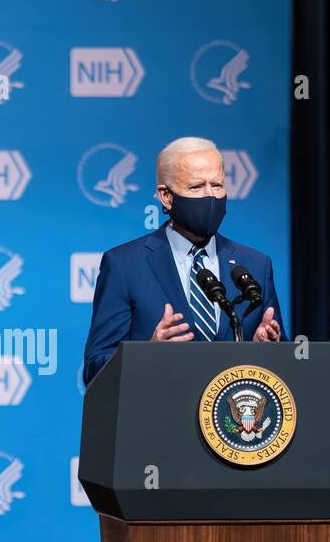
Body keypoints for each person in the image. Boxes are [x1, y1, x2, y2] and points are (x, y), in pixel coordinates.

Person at [82, 137, 285, 386]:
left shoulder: (255, 264)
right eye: (196, 187)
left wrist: (269, 352)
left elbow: (281, 363)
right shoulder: (124, 265)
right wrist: (146, 355)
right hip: (158, 418)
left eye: (218, 185)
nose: (210, 196)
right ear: (166, 196)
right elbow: (94, 368)